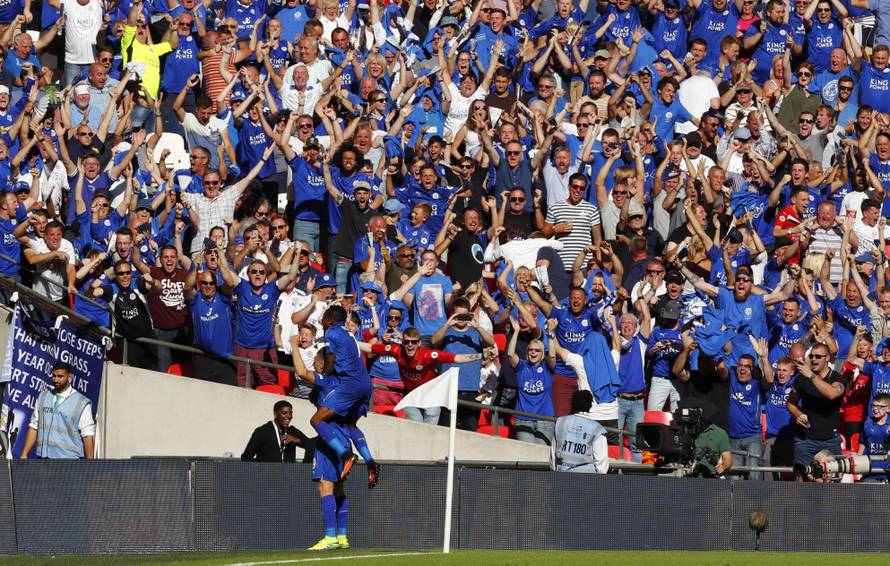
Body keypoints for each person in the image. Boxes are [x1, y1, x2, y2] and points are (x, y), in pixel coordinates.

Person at [786, 342, 848, 479]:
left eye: (818, 356)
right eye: (812, 356)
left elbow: (832, 393)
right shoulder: (802, 379)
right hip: (805, 440)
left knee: (833, 480)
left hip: (831, 440)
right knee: (802, 480)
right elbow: (790, 403)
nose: (814, 359)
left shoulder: (838, 378)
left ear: (827, 358)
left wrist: (811, 376)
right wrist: (798, 414)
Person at [20, 362, 95, 459]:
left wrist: (91, 465)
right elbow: (34, 426)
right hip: (43, 460)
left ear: (70, 377)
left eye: (60, 376)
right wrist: (24, 453)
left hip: (69, 461)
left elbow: (87, 435)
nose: (56, 380)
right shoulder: (43, 397)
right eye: (54, 376)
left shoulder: (81, 402)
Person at [550, 390, 609, 474]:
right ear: (590, 405)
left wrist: (554, 473)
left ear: (572, 404)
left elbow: (553, 454)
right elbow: (601, 463)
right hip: (587, 481)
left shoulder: (560, 422)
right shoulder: (597, 429)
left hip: (562, 477)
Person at [241, 400, 312, 463]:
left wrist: (297, 440)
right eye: (284, 413)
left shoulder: (292, 431)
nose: (289, 416)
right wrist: (262, 469)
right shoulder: (262, 431)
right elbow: (246, 458)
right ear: (275, 414)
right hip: (268, 476)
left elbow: (311, 446)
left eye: (290, 413)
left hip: (288, 476)